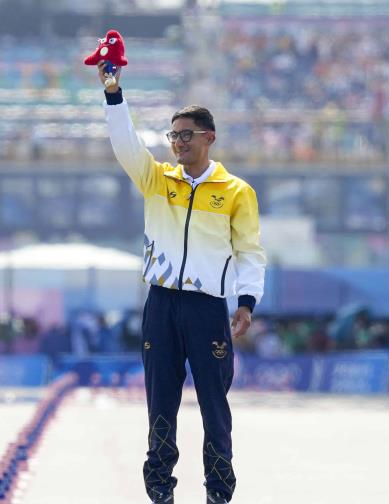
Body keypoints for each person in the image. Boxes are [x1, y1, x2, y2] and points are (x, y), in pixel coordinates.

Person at [96, 61, 266, 504]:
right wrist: (114, 93)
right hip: (161, 304)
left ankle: (219, 493)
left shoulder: (236, 191)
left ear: (209, 137)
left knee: (214, 404)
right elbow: (125, 143)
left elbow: (249, 250)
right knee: (160, 402)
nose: (178, 142)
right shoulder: (156, 178)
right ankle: (159, 490)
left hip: (208, 308)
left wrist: (246, 301)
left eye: (186, 134)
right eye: (173, 136)